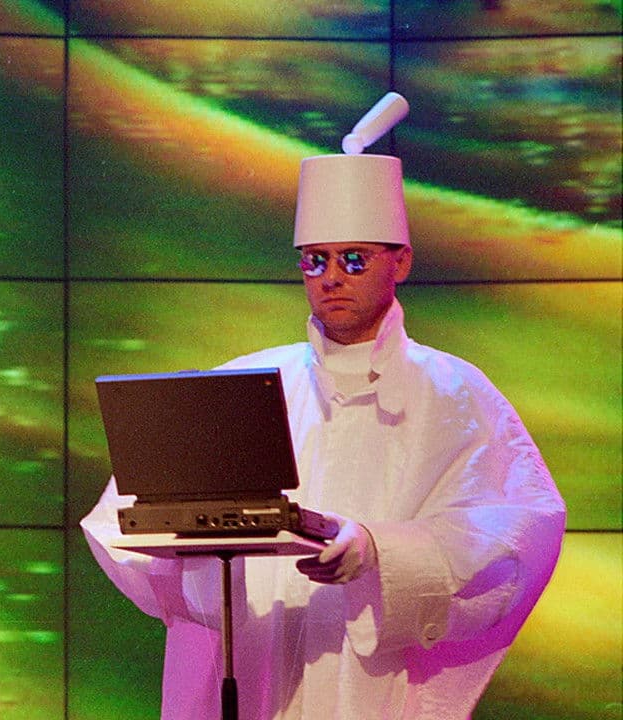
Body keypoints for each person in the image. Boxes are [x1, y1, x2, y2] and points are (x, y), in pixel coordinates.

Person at [81, 145, 566, 718]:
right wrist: (207, 550)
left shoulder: (454, 393)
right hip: (252, 671)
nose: (331, 278)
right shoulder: (246, 381)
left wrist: (379, 552)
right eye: (315, 261)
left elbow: (512, 539)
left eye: (353, 260)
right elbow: (121, 520)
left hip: (372, 685)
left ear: (400, 263)